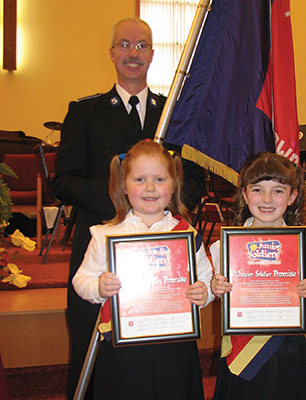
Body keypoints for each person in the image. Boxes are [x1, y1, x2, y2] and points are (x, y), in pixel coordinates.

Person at [51, 18, 206, 399]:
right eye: (124, 44)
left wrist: (160, 203)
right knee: (92, 346)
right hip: (103, 252)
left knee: (160, 357)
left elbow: (197, 179)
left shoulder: (176, 116)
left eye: (141, 45)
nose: (133, 53)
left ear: (152, 54)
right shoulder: (85, 112)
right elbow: (64, 180)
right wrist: (122, 203)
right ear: (112, 53)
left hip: (164, 255)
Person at [72, 140, 214, 399]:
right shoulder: (106, 235)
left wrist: (204, 292)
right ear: (123, 185)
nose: (150, 188)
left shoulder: (186, 234)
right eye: (139, 179)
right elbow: (81, 279)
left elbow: (206, 277)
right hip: (122, 348)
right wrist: (98, 286)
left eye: (160, 179)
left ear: (174, 185)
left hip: (175, 346)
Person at [210, 152, 306, 400]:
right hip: (242, 344)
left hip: (285, 343)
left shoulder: (304, 243)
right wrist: (217, 288)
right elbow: (221, 292)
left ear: (292, 197)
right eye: (257, 190)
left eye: (278, 190)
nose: (267, 199)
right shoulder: (227, 245)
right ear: (244, 194)